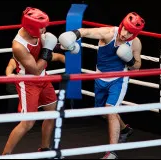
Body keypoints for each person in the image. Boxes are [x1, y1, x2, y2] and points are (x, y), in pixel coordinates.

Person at [58, 12, 145, 159]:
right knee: (103, 112)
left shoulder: (135, 43)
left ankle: (111, 153)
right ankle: (125, 130)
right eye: (125, 29)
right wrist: (73, 34)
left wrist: (129, 61)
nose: (125, 34)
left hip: (119, 79)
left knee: (110, 111)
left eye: (130, 32)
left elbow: (137, 66)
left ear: (135, 34)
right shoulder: (108, 33)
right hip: (100, 77)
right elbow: (85, 32)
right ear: (122, 24)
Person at [1, 7, 59, 155]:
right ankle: (5, 156)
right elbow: (35, 70)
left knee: (51, 114)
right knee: (27, 123)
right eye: (41, 27)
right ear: (31, 27)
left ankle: (45, 150)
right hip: (28, 82)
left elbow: (47, 46)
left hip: (44, 79)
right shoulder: (18, 46)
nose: (44, 29)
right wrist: (48, 50)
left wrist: (66, 46)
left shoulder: (38, 31)